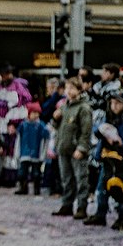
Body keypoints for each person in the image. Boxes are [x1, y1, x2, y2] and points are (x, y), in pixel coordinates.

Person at [83, 91, 123, 230]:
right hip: (107, 159)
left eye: (117, 103)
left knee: (121, 190)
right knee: (102, 189)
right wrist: (101, 132)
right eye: (112, 103)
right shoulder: (106, 117)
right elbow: (96, 129)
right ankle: (100, 214)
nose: (114, 106)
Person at [51, 78, 93, 219]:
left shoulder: (83, 108)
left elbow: (86, 131)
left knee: (81, 179)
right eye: (67, 88)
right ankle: (67, 204)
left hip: (76, 149)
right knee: (66, 179)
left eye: (72, 88)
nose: (69, 92)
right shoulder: (64, 106)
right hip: (64, 148)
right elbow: (57, 127)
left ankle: (82, 207)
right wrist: (55, 118)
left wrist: (81, 148)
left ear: (79, 90)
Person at [13, 102, 49, 195]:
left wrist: (43, 154)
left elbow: (45, 139)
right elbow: (18, 139)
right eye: (34, 112)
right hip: (24, 152)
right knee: (22, 173)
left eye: (37, 113)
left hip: (36, 153)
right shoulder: (23, 125)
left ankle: (37, 189)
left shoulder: (41, 126)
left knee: (36, 174)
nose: (36, 115)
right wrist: (17, 152)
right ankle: (23, 188)